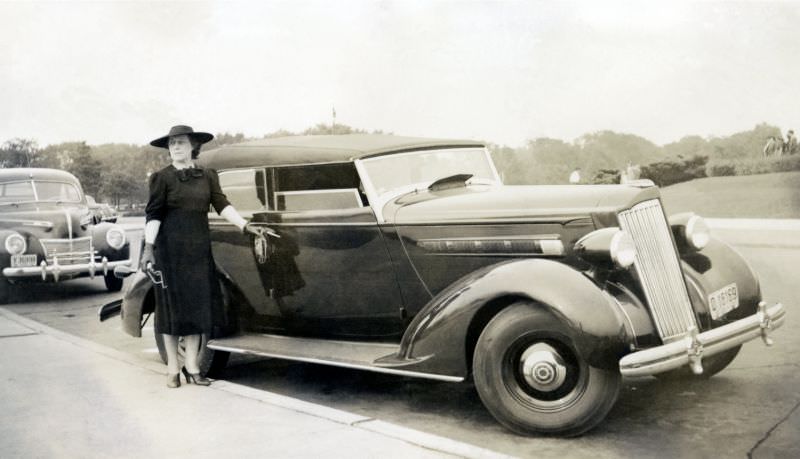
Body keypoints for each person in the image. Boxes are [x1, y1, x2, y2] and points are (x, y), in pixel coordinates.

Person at [140, 125, 264, 388]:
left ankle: (193, 366)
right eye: (172, 143)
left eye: (181, 143)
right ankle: (173, 369)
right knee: (172, 313)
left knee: (196, 312)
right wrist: (148, 248)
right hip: (169, 255)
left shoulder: (207, 176)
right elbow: (153, 215)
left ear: (193, 146)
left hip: (198, 254)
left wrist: (244, 225)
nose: (175, 147)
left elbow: (222, 204)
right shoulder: (161, 178)